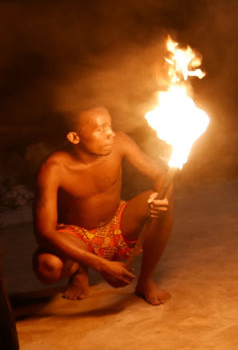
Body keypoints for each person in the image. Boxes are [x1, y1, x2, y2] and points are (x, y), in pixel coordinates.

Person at [33, 106, 173, 306]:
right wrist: (102, 266)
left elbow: (162, 176)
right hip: (77, 235)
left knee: (163, 200)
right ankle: (79, 271)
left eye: (110, 126)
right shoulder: (53, 168)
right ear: (75, 137)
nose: (110, 134)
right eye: (101, 129)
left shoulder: (120, 142)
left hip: (117, 222)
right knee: (47, 266)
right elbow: (44, 233)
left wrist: (159, 200)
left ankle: (145, 280)